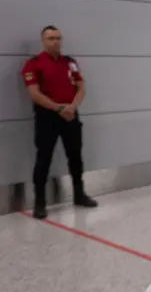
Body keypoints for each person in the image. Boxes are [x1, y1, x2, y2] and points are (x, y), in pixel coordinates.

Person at [20, 25, 98, 219]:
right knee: (44, 159)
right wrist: (58, 108)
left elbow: (81, 88)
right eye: (51, 38)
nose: (55, 41)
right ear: (43, 41)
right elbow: (34, 94)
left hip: (70, 115)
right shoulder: (33, 64)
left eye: (58, 38)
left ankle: (79, 195)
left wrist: (71, 107)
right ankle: (40, 204)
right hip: (47, 117)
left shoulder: (70, 63)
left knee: (75, 156)